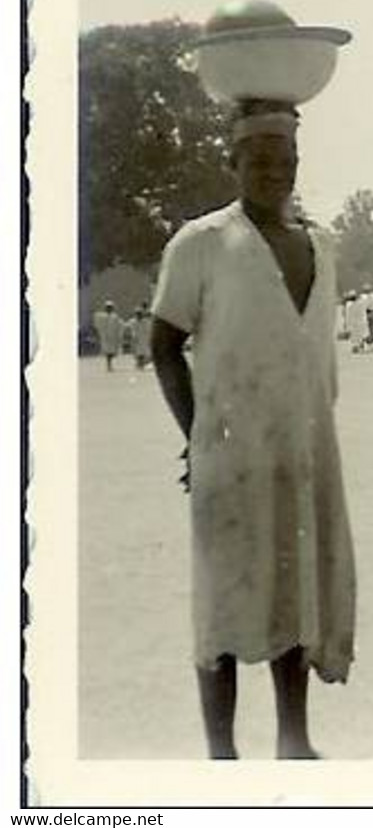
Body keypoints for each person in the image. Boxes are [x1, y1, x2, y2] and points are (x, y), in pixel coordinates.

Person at [149, 98, 356, 759]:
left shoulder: (322, 243)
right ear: (231, 162)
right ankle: (222, 756)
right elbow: (163, 343)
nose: (275, 173)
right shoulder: (202, 243)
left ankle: (294, 740)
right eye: (260, 160)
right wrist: (197, 433)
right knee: (225, 604)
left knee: (293, 593)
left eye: (287, 160)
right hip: (229, 456)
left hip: (304, 450)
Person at [93, 299, 123, 372]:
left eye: (110, 307)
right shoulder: (101, 316)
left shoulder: (115, 316)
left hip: (112, 337)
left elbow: (119, 325)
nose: (109, 308)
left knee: (112, 352)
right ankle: (108, 365)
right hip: (105, 337)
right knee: (107, 352)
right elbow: (96, 324)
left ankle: (109, 364)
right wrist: (97, 334)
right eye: (108, 307)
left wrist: (118, 335)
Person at [129, 301, 154, 370]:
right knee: (137, 353)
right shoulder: (132, 321)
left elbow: (149, 329)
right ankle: (139, 364)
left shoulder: (145, 321)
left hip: (143, 338)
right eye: (137, 314)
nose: (139, 315)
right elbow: (130, 329)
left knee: (143, 352)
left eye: (140, 314)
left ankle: (141, 364)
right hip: (136, 339)